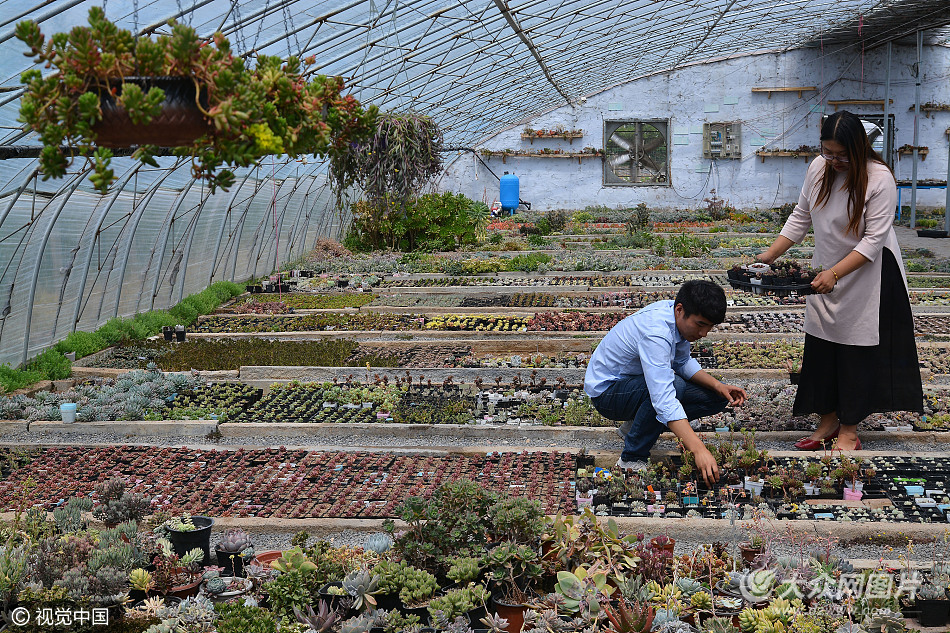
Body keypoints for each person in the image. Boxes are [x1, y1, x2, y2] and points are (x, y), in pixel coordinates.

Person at [758, 110, 923, 451]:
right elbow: (800, 217)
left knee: (856, 349)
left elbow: (873, 241)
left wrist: (834, 273)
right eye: (827, 152)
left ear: (859, 148)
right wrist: (768, 257)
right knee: (822, 347)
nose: (833, 160)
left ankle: (849, 428)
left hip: (869, 272)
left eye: (841, 154)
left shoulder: (879, 179)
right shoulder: (818, 169)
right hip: (826, 270)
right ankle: (828, 419)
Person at [584, 280, 748, 485]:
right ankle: (631, 459)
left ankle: (635, 427)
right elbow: (663, 397)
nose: (704, 333)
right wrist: (698, 449)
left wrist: (718, 386)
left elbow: (682, 362)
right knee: (674, 386)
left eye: (710, 327)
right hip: (608, 394)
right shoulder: (656, 332)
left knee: (716, 397)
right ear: (680, 310)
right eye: (700, 324)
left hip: (634, 386)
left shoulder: (677, 318)